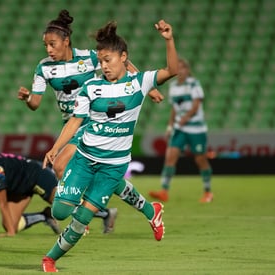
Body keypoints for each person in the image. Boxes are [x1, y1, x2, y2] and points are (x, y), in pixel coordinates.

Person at [41, 19, 178, 272]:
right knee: (59, 211)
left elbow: (172, 70)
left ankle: (49, 259)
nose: (103, 66)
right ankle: (150, 209)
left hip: (113, 166)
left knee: (82, 218)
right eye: (101, 61)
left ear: (124, 57)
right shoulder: (91, 87)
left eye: (108, 60)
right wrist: (55, 148)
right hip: (85, 157)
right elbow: (75, 121)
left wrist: (169, 40)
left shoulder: (139, 82)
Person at [17, 9, 163, 230]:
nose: (48, 49)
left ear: (66, 41)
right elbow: (35, 104)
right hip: (72, 123)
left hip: (93, 121)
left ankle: (79, 220)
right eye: (46, 45)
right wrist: (28, 97)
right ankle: (139, 209)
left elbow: (121, 62)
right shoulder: (44, 67)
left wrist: (147, 87)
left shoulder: (90, 57)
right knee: (103, 176)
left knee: (60, 165)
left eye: (53, 44)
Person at [0, 152, 117, 237]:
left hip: (35, 175)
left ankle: (106, 213)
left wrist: (11, 235)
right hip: (19, 187)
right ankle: (45, 216)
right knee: (8, 225)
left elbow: (3, 204)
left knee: (64, 205)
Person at [149, 58, 213, 203]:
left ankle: (208, 191)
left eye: (183, 68)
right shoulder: (173, 86)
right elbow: (174, 109)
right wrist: (170, 126)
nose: (181, 71)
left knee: (200, 159)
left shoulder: (194, 84)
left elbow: (196, 104)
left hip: (196, 128)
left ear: (187, 70)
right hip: (180, 128)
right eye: (178, 68)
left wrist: (186, 117)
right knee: (170, 157)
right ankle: (164, 191)